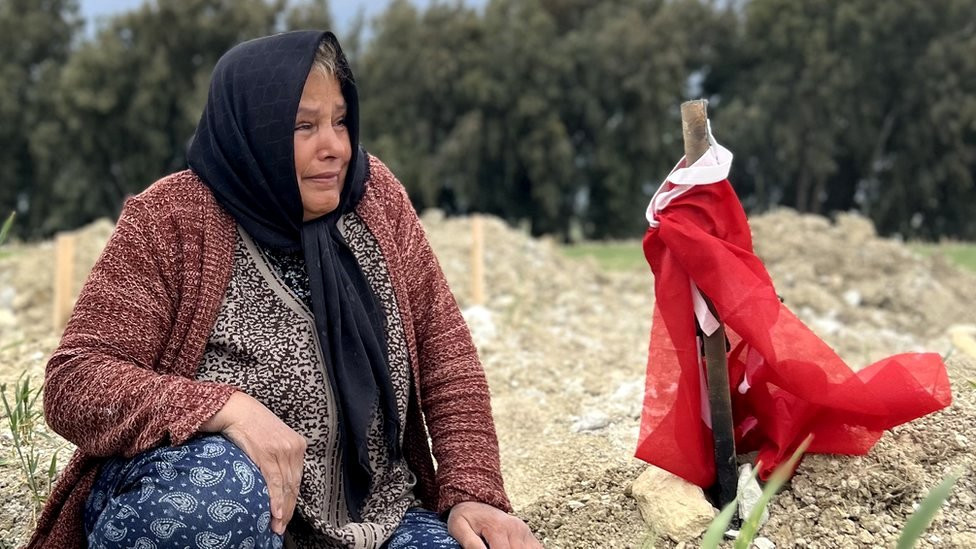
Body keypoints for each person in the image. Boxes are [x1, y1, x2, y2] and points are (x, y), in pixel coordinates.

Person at [28, 31, 541, 549]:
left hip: (373, 521)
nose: (335, 147)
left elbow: (444, 355)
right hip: (210, 503)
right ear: (253, 131)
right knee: (219, 498)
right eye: (304, 126)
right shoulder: (170, 220)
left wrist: (473, 492)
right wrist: (223, 408)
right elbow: (77, 381)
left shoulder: (375, 199)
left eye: (340, 121)